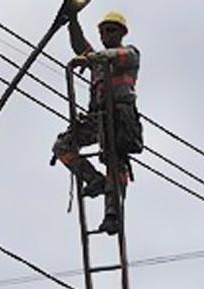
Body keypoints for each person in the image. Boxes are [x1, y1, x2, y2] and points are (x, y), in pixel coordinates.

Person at [52, 9, 144, 235]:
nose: (105, 34)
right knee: (62, 146)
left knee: (114, 159)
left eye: (111, 30)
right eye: (102, 31)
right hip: (97, 118)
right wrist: (72, 19)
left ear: (121, 32)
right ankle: (94, 180)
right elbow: (79, 44)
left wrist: (91, 58)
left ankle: (112, 214)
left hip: (120, 117)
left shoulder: (128, 54)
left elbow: (117, 55)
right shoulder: (97, 60)